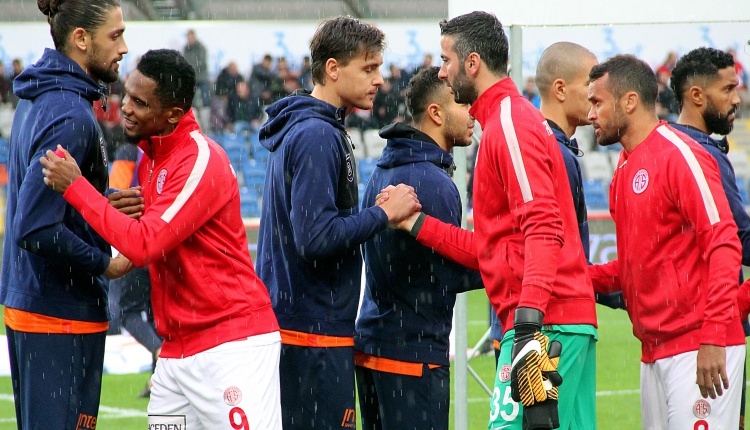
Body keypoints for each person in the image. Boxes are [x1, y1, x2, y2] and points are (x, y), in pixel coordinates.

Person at [41, 49, 283, 429]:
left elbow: (143, 244)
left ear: (173, 113)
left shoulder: (200, 159)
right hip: (174, 351)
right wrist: (107, 212)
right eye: (127, 95)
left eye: (140, 102)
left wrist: (77, 188)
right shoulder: (152, 159)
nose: (127, 108)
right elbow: (143, 243)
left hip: (230, 348)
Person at [255, 16, 422, 429]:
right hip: (312, 333)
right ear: (333, 69)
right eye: (369, 68)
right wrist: (384, 214)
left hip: (300, 326)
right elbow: (315, 237)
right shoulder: (317, 134)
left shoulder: (314, 127)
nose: (379, 80)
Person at [587, 54, 745, 429]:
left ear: (629, 101)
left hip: (699, 347)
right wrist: (570, 278)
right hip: (654, 352)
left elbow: (724, 242)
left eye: (597, 102)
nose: (590, 114)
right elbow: (635, 267)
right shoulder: (623, 171)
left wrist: (713, 336)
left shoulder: (680, 155)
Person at [0, 0, 131, 428]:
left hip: (40, 304)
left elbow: (44, 204)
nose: (124, 47)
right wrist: (105, 264)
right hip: (58, 315)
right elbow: (36, 226)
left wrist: (99, 199)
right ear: (80, 39)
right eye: (115, 36)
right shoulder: (69, 113)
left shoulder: (45, 98)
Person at [355, 66, 483, 430]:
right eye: (464, 104)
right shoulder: (434, 182)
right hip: (413, 355)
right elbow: (447, 273)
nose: (473, 112)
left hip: (373, 346)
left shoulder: (384, 169)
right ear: (436, 114)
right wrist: (507, 263)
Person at [669, 46, 749, 428]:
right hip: (710, 338)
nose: (737, 98)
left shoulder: (672, 146)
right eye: (728, 88)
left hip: (681, 335)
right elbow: (738, 240)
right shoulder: (699, 154)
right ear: (696, 95)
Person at [109, 143, 163, 398]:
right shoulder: (167, 152)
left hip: (136, 241)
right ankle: (158, 380)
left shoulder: (130, 153)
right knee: (157, 314)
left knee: (128, 311)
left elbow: (115, 198)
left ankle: (158, 352)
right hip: (162, 243)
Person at [183, 29, 209, 108]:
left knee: (205, 98)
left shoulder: (201, 48)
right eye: (189, 38)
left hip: (201, 76)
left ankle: (205, 113)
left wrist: (191, 67)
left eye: (191, 37)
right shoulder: (186, 48)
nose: (190, 40)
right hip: (191, 78)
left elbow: (201, 62)